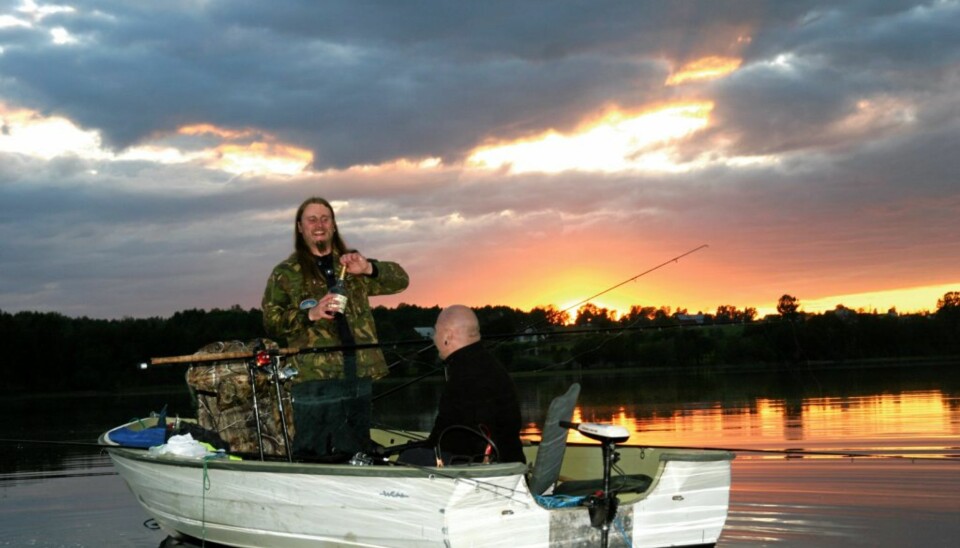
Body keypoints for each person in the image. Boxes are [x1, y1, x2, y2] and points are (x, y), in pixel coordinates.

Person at [262, 196, 409, 458]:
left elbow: (401, 280)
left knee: (356, 450)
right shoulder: (285, 273)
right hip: (312, 377)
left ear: (333, 225)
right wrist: (311, 313)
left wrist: (368, 268)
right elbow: (271, 322)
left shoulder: (351, 265)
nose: (319, 224)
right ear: (300, 227)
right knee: (311, 451)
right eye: (312, 219)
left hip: (358, 370)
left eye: (325, 218)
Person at [401, 305, 526, 465]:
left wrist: (414, 449)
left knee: (408, 458)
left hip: (483, 470)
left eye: (436, 332)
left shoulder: (462, 376)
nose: (434, 338)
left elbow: (443, 439)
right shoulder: (491, 365)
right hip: (510, 459)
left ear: (447, 335)